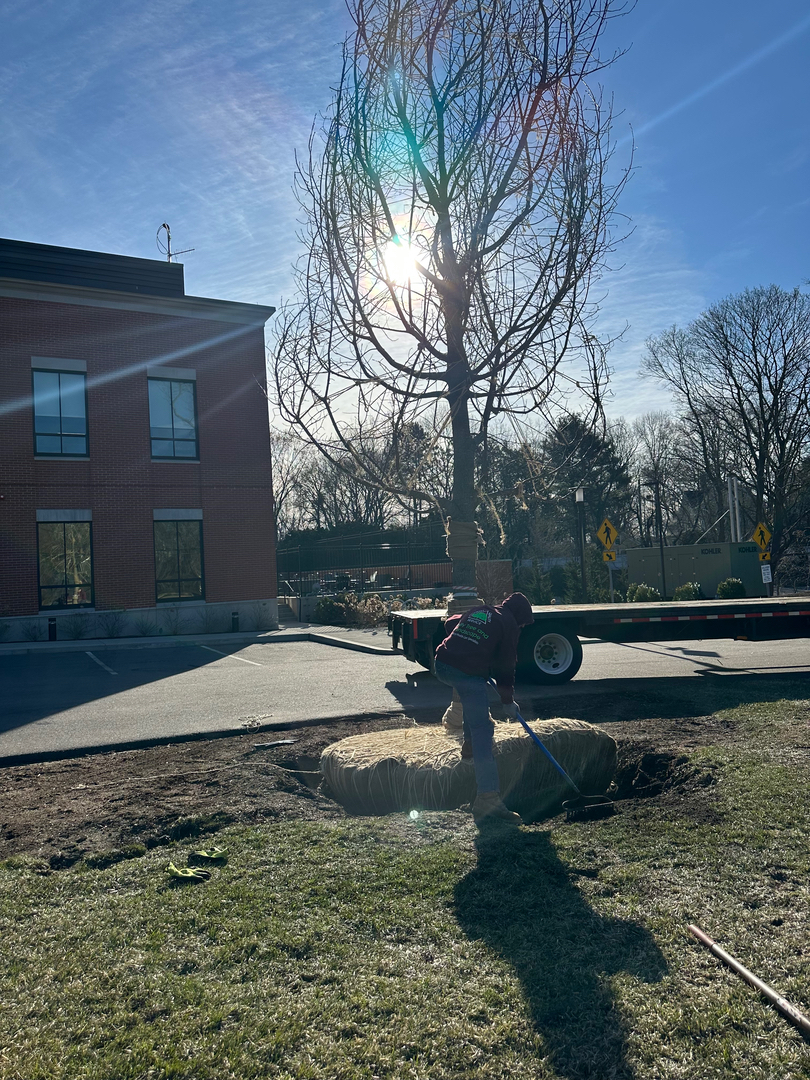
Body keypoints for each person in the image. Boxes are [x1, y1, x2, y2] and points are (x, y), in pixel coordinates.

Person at [434, 592, 534, 825]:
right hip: (466, 673)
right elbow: (506, 667)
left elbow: (451, 623)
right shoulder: (509, 624)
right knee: (483, 730)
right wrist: (508, 701)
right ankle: (487, 799)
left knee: (474, 703)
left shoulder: (483, 611)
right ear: (519, 617)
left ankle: (469, 750)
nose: (521, 627)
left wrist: (469, 645)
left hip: (442, 663)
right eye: (523, 623)